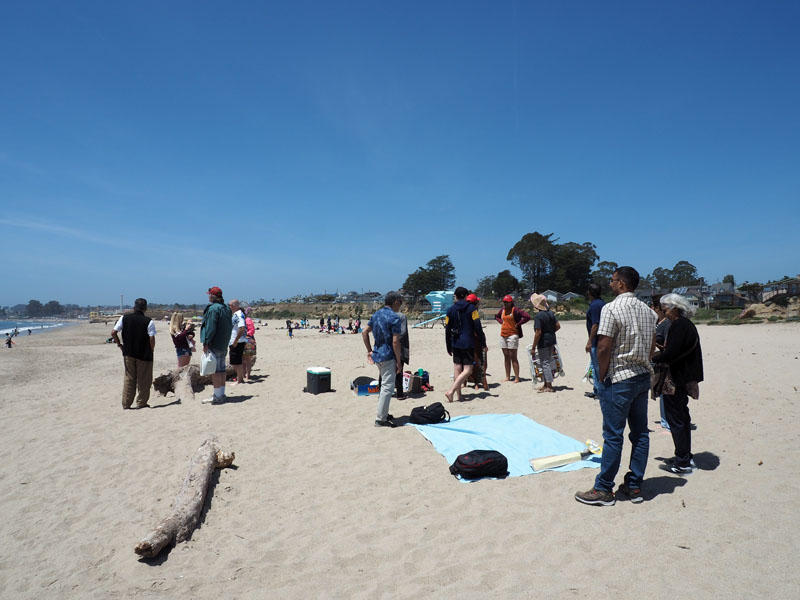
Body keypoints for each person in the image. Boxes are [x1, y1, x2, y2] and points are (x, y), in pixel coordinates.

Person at [575, 266, 656, 506]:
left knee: (613, 435)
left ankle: (604, 489)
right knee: (640, 433)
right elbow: (652, 346)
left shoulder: (611, 308)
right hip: (642, 376)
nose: (610, 284)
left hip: (619, 378)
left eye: (612, 281)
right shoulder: (648, 312)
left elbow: (603, 346)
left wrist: (601, 376)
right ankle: (634, 485)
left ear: (621, 284)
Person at [653, 293, 704, 474]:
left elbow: (672, 353)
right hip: (683, 376)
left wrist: (653, 357)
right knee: (681, 417)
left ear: (674, 308)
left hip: (676, 378)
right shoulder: (685, 324)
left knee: (677, 419)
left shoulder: (679, 325)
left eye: (665, 308)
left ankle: (683, 462)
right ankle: (684, 455)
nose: (663, 312)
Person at [362, 291, 404, 427]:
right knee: (387, 387)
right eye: (400, 302)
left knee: (384, 385)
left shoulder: (377, 314)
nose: (401, 305)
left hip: (377, 354)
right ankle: (380, 419)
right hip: (388, 355)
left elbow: (364, 332)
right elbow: (396, 342)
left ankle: (383, 413)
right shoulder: (395, 317)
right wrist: (399, 361)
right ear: (395, 302)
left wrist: (369, 350)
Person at [111, 298, 156, 409]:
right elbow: (151, 338)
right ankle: (141, 402)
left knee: (129, 378)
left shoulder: (124, 318)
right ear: (145, 308)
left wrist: (120, 345)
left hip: (128, 353)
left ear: (134, 307)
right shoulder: (148, 321)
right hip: (144, 354)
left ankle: (126, 403)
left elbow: (113, 333)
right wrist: (152, 350)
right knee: (144, 380)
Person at [445, 287, 486, 402]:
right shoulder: (472, 309)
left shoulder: (450, 310)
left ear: (456, 296)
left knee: (457, 367)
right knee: (468, 370)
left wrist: (448, 345)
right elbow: (478, 326)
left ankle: (459, 396)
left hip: (455, 342)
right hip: (468, 342)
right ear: (466, 296)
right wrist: (483, 342)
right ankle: (451, 391)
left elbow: (447, 329)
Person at [200, 286, 233, 404]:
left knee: (215, 371)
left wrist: (206, 342)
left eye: (209, 294)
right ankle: (221, 394)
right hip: (223, 343)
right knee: (222, 369)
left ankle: (218, 396)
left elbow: (210, 327)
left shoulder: (213, 309)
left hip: (215, 343)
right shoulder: (226, 308)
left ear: (212, 296)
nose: (208, 296)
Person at [494, 295, 531, 383]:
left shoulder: (516, 310)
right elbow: (497, 316)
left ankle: (517, 377)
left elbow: (527, 317)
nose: (505, 303)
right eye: (504, 302)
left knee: (513, 357)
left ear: (511, 302)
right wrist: (501, 322)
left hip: (513, 335)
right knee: (506, 357)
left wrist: (518, 324)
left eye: (507, 302)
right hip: (503, 335)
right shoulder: (502, 310)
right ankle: (507, 376)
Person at [530, 293, 561, 393]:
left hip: (543, 341)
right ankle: (546, 384)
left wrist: (533, 347)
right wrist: (550, 333)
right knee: (548, 361)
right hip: (552, 340)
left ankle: (549, 386)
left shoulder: (539, 316)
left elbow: (538, 332)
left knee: (545, 363)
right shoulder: (551, 313)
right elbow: (558, 326)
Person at [651, 295, 671, 430]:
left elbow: (668, 344)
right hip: (659, 361)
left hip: (665, 362)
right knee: (661, 390)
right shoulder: (659, 323)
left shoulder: (666, 324)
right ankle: (665, 420)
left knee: (666, 391)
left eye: (653, 306)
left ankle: (667, 421)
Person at [584, 283, 605, 398]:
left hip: (597, 341)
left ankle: (599, 391)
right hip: (601, 340)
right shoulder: (602, 303)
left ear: (590, 293)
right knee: (595, 366)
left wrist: (589, 341)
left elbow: (595, 325)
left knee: (597, 367)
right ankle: (596, 389)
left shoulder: (595, 306)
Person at [466, 293, 489, 390]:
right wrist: (484, 343)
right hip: (475, 339)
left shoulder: (461, 310)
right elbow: (478, 327)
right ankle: (477, 383)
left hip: (464, 340)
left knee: (466, 362)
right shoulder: (473, 311)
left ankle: (465, 382)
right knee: (479, 361)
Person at [228, 299, 248, 384]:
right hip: (235, 340)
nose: (230, 307)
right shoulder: (236, 314)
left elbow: (242, 328)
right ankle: (239, 378)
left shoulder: (239, 315)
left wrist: (236, 340)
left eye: (231, 305)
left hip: (237, 341)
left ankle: (240, 379)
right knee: (234, 361)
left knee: (236, 361)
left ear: (236, 306)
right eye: (229, 305)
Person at [394, 306, 410, 399]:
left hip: (387, 347)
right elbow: (403, 332)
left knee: (385, 371)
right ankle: (399, 393)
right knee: (399, 368)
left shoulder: (384, 315)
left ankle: (381, 391)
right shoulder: (401, 316)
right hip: (399, 346)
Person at [243, 308, 256, 379]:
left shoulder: (248, 320)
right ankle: (243, 374)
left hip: (248, 340)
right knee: (243, 359)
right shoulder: (241, 319)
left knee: (247, 359)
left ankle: (247, 375)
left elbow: (252, 330)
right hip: (242, 339)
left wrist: (245, 334)